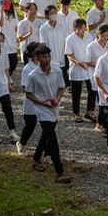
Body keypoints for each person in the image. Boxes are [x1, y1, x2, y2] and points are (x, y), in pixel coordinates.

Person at [25, 44, 72, 184]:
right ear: (37, 58)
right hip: (41, 110)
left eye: (48, 56)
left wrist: (57, 99)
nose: (47, 59)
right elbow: (28, 94)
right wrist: (42, 102)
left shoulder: (57, 71)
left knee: (46, 135)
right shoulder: (32, 75)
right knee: (52, 139)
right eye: (44, 56)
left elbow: (61, 88)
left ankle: (36, 158)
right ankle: (60, 172)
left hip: (54, 108)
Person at [65, 18, 96, 123]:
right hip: (76, 68)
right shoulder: (70, 39)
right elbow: (69, 54)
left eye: (84, 27)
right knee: (76, 92)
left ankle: (89, 111)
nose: (83, 30)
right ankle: (76, 113)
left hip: (88, 67)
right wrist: (78, 62)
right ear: (75, 28)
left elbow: (92, 49)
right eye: (80, 28)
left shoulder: (88, 36)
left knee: (92, 89)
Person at [16, 41, 40, 155]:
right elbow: (24, 88)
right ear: (34, 54)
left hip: (43, 102)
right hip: (32, 103)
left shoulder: (44, 66)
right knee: (30, 125)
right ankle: (21, 143)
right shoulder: (27, 69)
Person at [86, 24, 108, 132]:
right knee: (100, 100)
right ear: (98, 34)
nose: (105, 38)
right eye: (103, 36)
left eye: (107, 35)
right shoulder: (91, 46)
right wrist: (99, 64)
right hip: (95, 76)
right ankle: (102, 123)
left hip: (107, 76)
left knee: (104, 100)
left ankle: (101, 122)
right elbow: (87, 61)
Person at [57, 0, 79, 86]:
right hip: (60, 44)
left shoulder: (74, 15)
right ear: (60, 4)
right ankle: (66, 83)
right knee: (63, 65)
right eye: (63, 5)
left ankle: (71, 82)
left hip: (72, 43)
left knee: (72, 63)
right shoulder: (57, 16)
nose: (65, 7)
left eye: (67, 5)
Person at [0, 0, 20, 76]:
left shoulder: (14, 14)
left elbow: (16, 26)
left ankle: (8, 76)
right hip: (2, 42)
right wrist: (1, 12)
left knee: (14, 62)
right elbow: (0, 24)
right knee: (3, 62)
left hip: (12, 41)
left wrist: (18, 36)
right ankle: (4, 78)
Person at [38, 6, 66, 73]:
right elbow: (43, 44)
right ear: (47, 15)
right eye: (51, 13)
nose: (54, 15)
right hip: (50, 60)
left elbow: (65, 42)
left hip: (61, 59)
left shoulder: (62, 26)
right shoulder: (43, 28)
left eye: (55, 13)